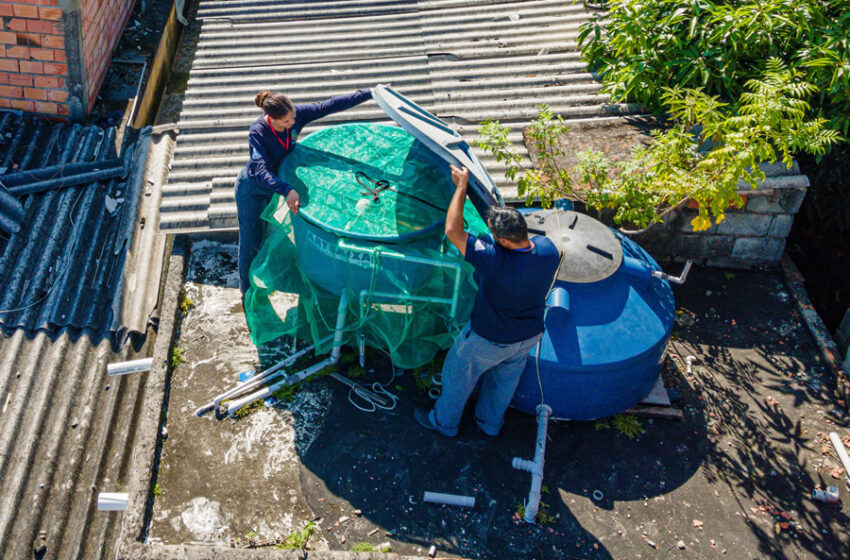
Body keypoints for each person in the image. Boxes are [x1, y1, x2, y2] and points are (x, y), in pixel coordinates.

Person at [414, 165, 561, 438]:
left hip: (488, 339)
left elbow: (452, 231)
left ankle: (443, 423)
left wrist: (461, 188)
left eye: (494, 233)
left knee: (457, 377)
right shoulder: (549, 251)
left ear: (503, 240)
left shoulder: (494, 260)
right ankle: (490, 424)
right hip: (528, 336)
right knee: (505, 382)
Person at [236, 88, 373, 296]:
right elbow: (259, 169)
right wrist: (287, 189)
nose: (292, 124)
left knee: (266, 233)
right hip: (253, 190)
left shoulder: (295, 116)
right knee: (250, 239)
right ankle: (246, 291)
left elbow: (328, 105)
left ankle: (263, 275)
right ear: (271, 119)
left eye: (293, 118)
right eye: (286, 122)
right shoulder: (258, 132)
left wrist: (369, 93)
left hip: (276, 186)